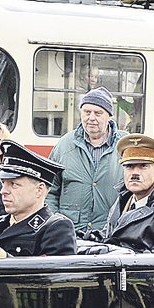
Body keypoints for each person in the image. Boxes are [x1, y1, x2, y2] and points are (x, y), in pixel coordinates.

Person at [0, 140, 76, 258]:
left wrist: (0, 256)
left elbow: (51, 274)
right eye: (3, 183)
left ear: (39, 190)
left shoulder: (56, 228)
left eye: (14, 184)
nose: (3, 191)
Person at [46, 87, 126, 237]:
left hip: (111, 234)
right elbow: (49, 190)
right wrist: (54, 225)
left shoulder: (125, 146)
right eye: (87, 112)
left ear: (109, 116)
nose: (91, 118)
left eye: (98, 113)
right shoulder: (64, 145)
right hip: (69, 235)